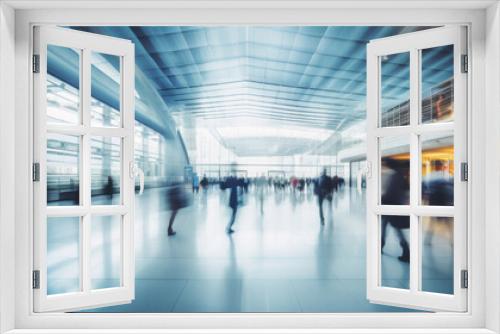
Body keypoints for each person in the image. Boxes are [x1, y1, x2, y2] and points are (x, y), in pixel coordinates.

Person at [380, 158, 410, 262]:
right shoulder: (400, 175)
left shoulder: (395, 175)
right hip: (393, 206)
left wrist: (382, 199)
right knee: (388, 227)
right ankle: (405, 250)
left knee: (391, 228)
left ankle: (406, 250)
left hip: (390, 206)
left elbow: (391, 193)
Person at [221, 166, 244, 234]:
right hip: (233, 201)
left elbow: (223, 187)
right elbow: (224, 187)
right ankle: (228, 228)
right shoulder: (232, 180)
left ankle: (229, 227)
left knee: (233, 215)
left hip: (233, 200)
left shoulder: (232, 180)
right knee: (233, 215)